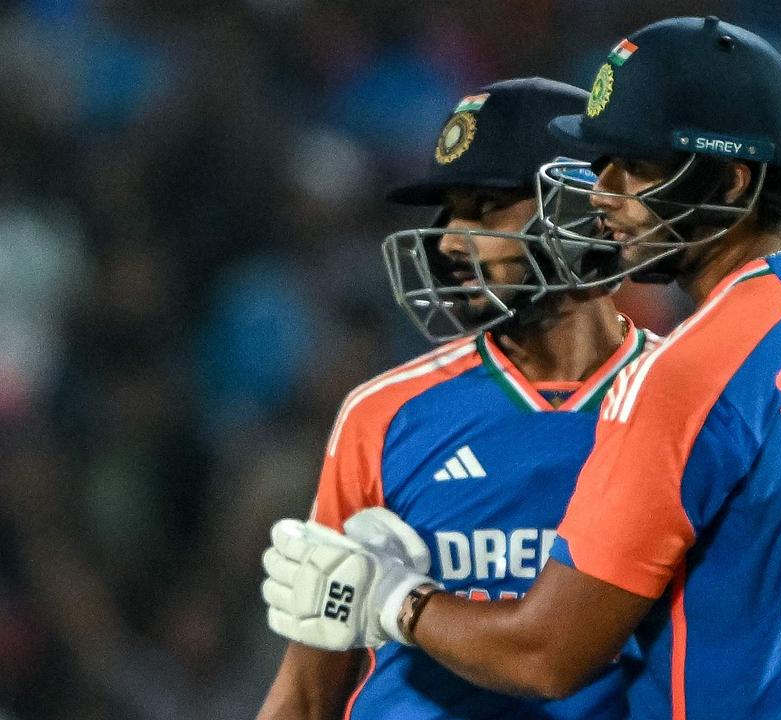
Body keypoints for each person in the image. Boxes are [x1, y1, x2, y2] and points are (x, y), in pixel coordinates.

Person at [262, 18, 781, 719]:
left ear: (732, 181)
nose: (605, 196)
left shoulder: (690, 379)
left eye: (633, 168)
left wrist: (399, 601)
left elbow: (548, 655)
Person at [256, 77, 650, 720]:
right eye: (448, 211)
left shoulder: (686, 401)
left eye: (486, 206)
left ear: (581, 208)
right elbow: (305, 692)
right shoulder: (382, 415)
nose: (447, 240)